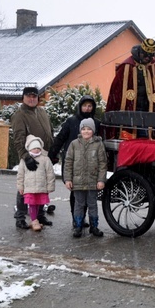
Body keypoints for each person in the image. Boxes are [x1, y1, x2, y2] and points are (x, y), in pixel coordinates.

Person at [48, 95, 102, 228]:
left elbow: (101, 142)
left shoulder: (97, 123)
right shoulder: (71, 121)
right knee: (76, 193)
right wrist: (52, 155)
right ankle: (76, 218)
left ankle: (83, 218)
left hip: (90, 165)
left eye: (90, 106)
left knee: (88, 193)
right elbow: (61, 138)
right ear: (80, 106)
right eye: (85, 105)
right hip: (73, 163)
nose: (87, 108)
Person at [11, 86, 55, 229]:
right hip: (30, 155)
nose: (32, 99)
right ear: (23, 98)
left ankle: (40, 215)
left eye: (34, 96)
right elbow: (18, 139)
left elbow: (50, 131)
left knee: (41, 186)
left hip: (44, 155)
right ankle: (20, 217)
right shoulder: (20, 114)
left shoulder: (41, 111)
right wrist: (25, 157)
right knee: (25, 187)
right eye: (29, 96)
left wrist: (52, 152)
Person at [106, 38, 155, 138]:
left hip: (147, 113)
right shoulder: (127, 66)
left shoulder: (153, 66)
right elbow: (116, 92)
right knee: (131, 140)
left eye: (150, 56)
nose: (147, 58)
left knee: (146, 141)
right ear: (140, 51)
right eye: (145, 55)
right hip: (131, 112)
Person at [64, 118, 108, 238]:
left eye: (89, 129)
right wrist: (68, 179)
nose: (86, 131)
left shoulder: (98, 144)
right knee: (79, 204)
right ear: (80, 130)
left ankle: (94, 226)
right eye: (84, 129)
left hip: (93, 182)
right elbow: (68, 162)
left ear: (93, 130)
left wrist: (101, 180)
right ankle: (78, 226)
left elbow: (102, 163)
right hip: (77, 182)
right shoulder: (74, 144)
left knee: (92, 204)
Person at [16, 135, 56, 232]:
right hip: (29, 188)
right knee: (32, 204)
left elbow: (50, 173)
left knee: (38, 203)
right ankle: (34, 221)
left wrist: (50, 186)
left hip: (41, 187)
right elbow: (20, 175)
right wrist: (20, 187)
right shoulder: (24, 161)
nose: (37, 150)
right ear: (30, 149)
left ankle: (35, 220)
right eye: (34, 148)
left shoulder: (45, 159)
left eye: (38, 148)